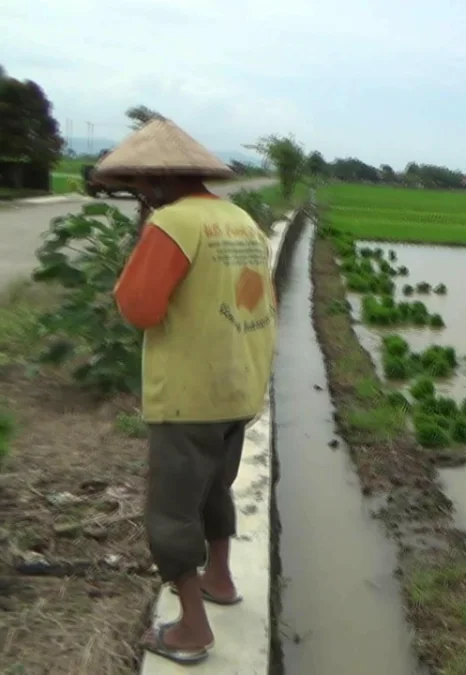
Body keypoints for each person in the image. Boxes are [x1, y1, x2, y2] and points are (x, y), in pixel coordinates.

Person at [97, 119, 278, 666]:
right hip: (239, 382)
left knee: (172, 513)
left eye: (141, 184)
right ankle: (220, 578)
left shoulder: (174, 223)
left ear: (158, 181)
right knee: (215, 490)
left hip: (188, 392)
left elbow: (139, 309)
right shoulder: (238, 218)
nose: (138, 192)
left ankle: (192, 630)